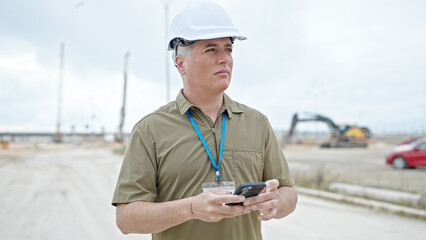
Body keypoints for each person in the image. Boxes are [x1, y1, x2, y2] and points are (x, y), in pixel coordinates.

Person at [112, 1, 297, 239]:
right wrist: (191, 209)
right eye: (211, 50)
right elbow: (127, 219)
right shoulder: (150, 130)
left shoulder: (257, 123)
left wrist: (276, 202)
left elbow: (288, 192)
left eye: (228, 49)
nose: (225, 59)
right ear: (181, 64)